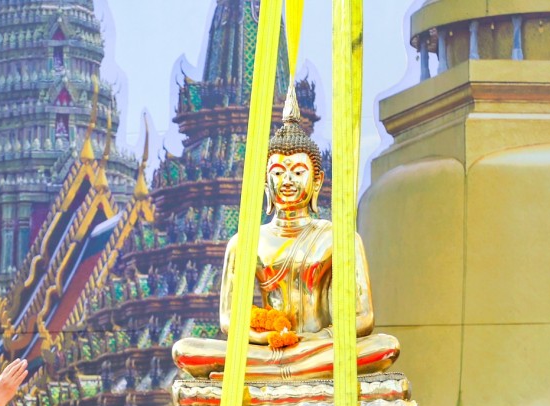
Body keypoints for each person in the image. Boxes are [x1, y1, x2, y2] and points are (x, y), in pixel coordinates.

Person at [171, 83, 399, 380]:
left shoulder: (340, 238)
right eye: (278, 172)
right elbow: (229, 320)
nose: (288, 180)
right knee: (186, 351)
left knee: (385, 347)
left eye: (298, 172)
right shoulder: (245, 243)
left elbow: (363, 317)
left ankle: (279, 374)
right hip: (269, 350)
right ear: (266, 182)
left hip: (320, 345)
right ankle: (291, 372)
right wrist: (267, 338)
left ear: (317, 181)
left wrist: (312, 340)